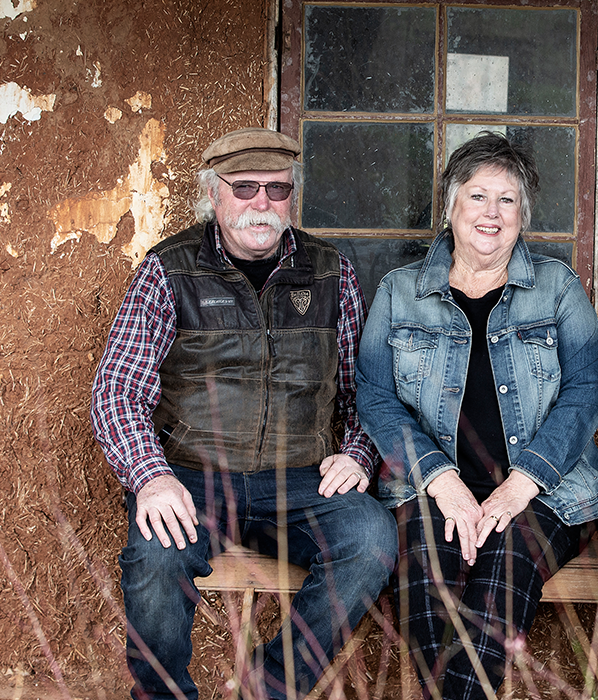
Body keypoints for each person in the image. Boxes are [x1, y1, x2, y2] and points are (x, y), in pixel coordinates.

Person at [91, 127, 398, 700]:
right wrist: (151, 479)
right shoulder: (169, 271)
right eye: (245, 187)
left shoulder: (331, 272)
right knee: (156, 559)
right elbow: (117, 390)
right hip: (192, 474)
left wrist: (358, 452)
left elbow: (369, 387)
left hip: (301, 477)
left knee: (372, 537)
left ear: (292, 197)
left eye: (277, 190)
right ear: (214, 193)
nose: (262, 203)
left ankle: (270, 687)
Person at [356, 132, 598, 699]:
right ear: (450, 207)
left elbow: (588, 391)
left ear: (523, 216)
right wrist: (440, 479)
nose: (491, 213)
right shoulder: (399, 293)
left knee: (499, 580)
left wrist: (523, 485)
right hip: (429, 490)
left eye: (507, 200)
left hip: (547, 495)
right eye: (477, 196)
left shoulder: (558, 288)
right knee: (428, 589)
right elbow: (373, 395)